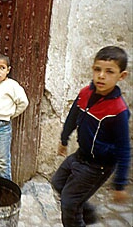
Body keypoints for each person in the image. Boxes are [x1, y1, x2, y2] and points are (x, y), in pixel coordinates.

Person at [51, 46, 131, 227]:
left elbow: (124, 148)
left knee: (69, 203)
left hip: (98, 166)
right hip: (80, 156)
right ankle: (87, 212)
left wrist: (120, 184)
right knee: (57, 182)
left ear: (122, 76)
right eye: (97, 69)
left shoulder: (118, 110)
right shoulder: (85, 93)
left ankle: (77, 215)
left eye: (109, 71)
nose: (102, 75)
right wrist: (64, 139)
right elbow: (72, 118)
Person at [0, 53, 29, 180]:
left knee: (2, 160)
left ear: (8, 70)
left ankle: (5, 188)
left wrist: (11, 114)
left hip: (3, 126)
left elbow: (23, 102)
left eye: (2, 68)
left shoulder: (12, 86)